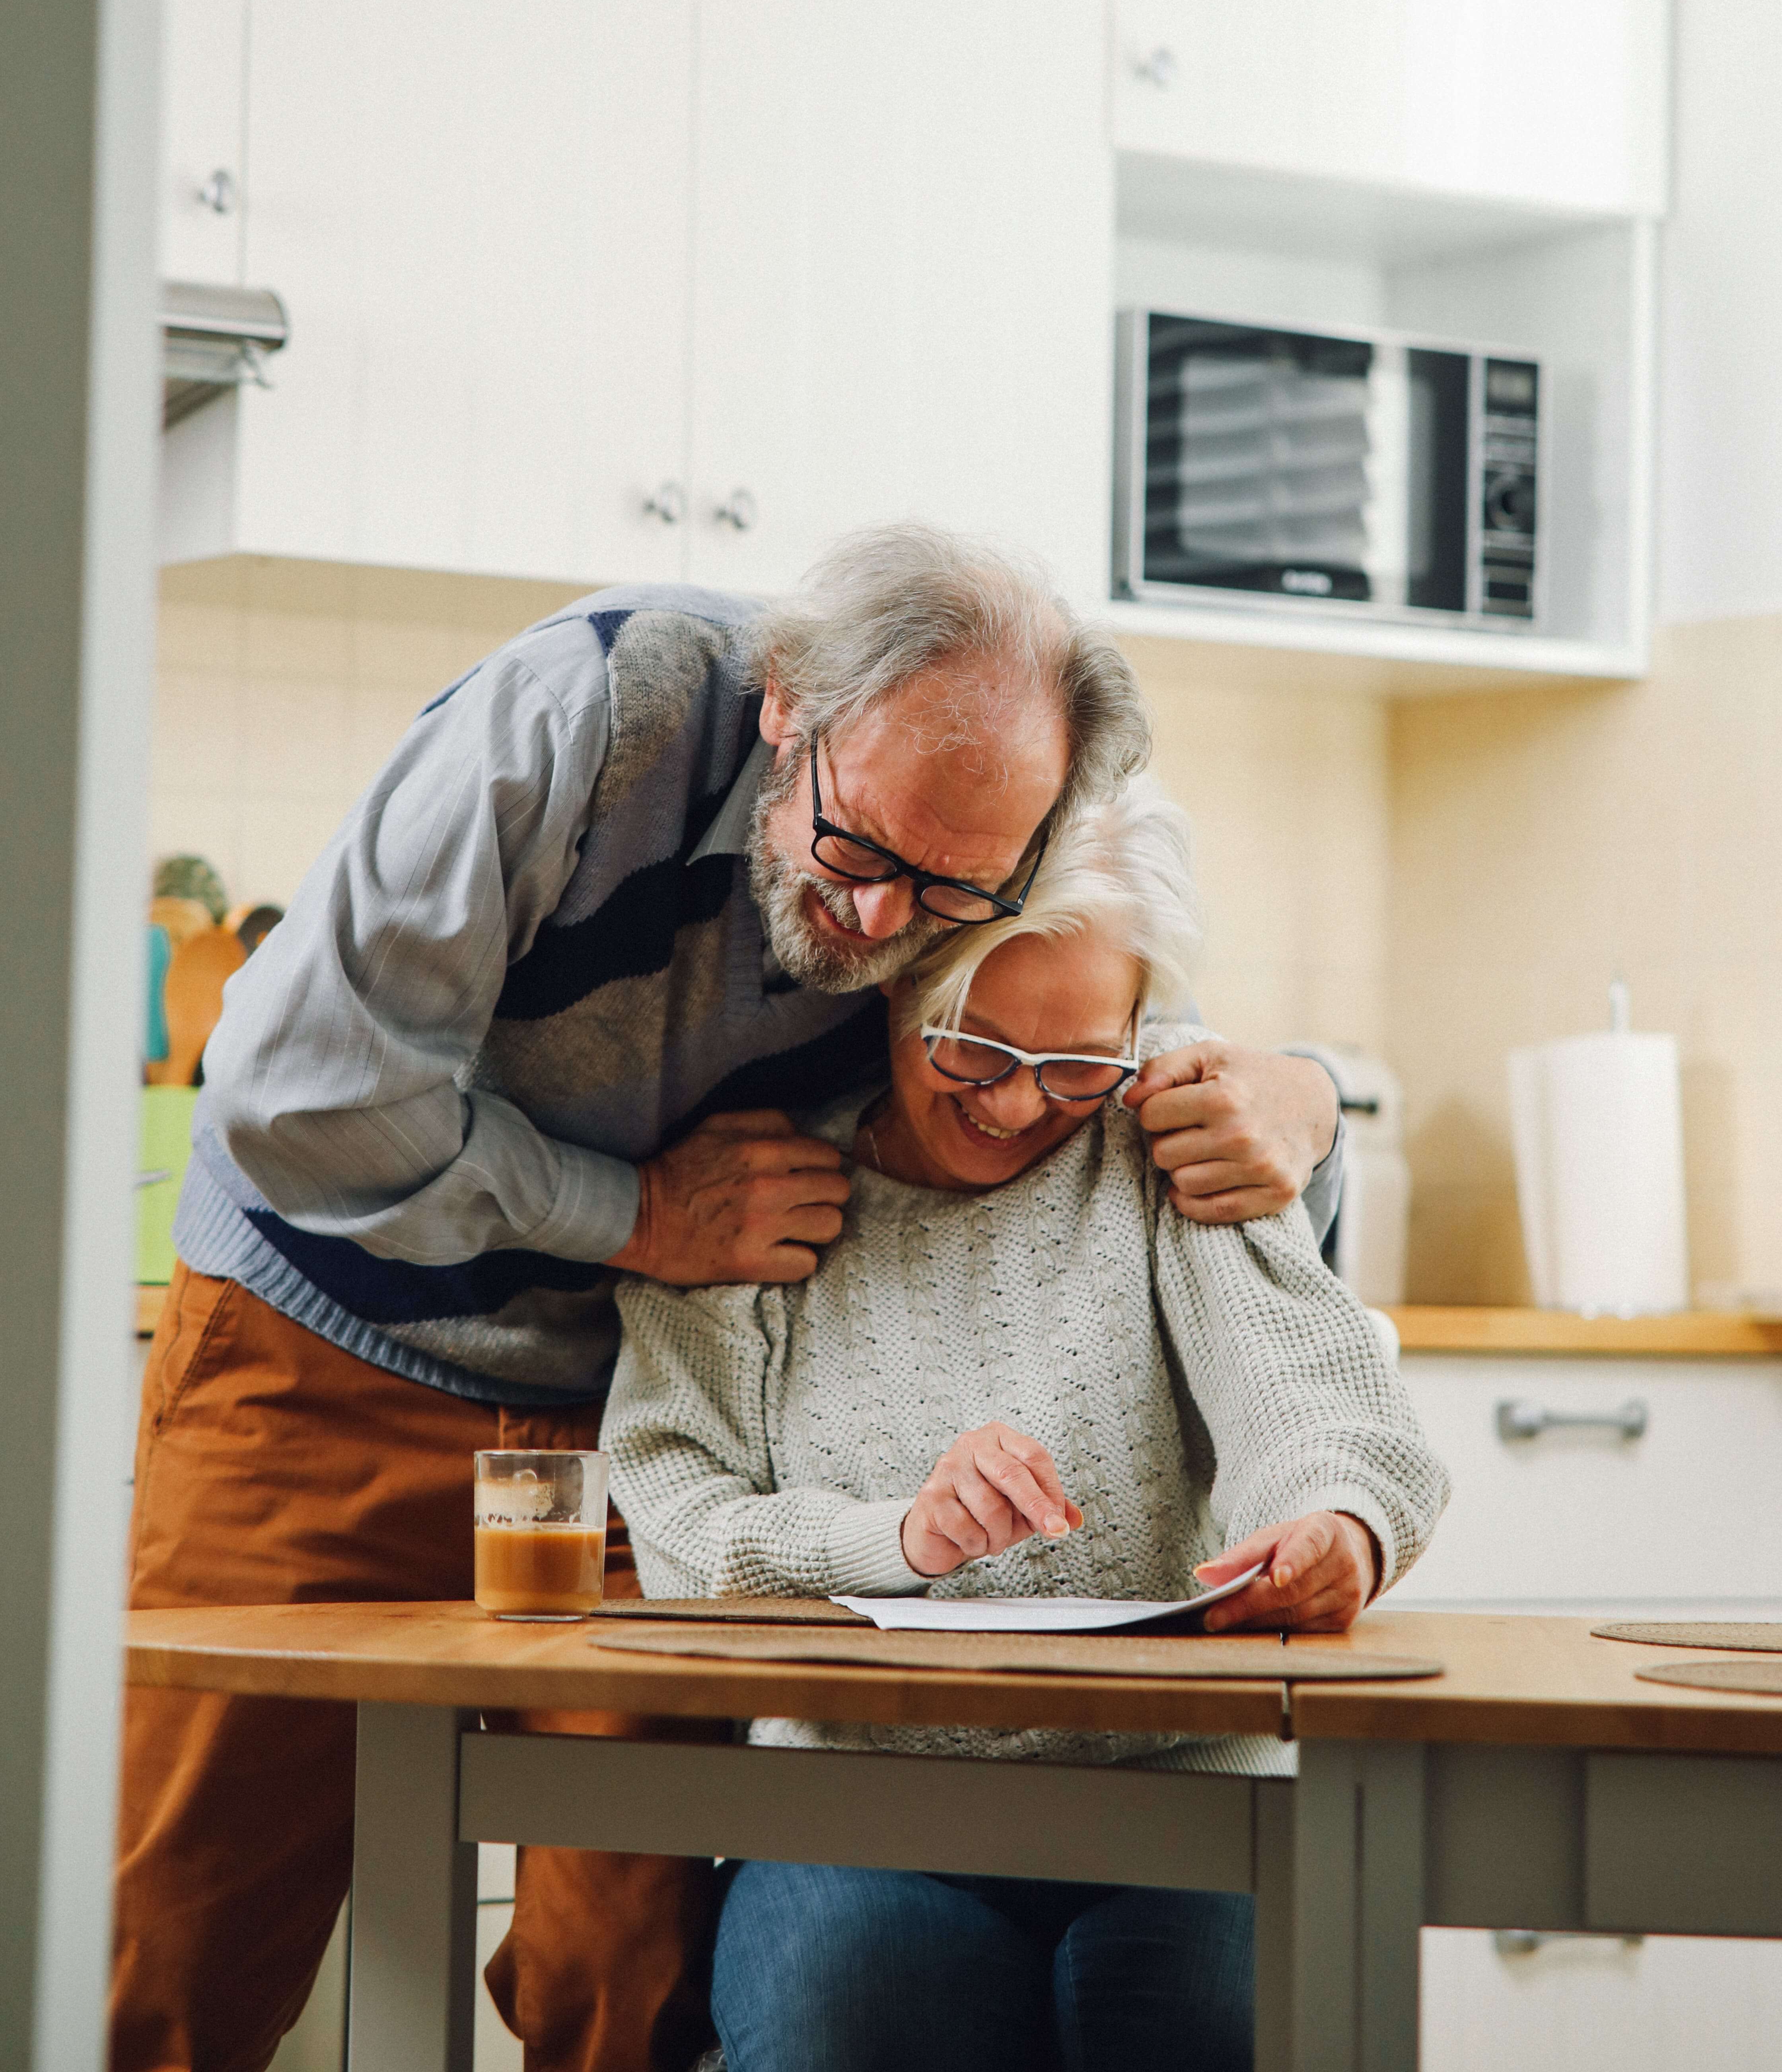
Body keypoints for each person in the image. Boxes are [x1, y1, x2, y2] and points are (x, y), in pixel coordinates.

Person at [115, 525, 1349, 2072]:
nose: (889, 931)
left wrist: (1308, 1100)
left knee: (622, 1962)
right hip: (333, 1342)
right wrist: (634, 1215)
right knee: (172, 1937)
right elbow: (298, 1095)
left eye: (953, 893)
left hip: (640, 1407)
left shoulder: (1009, 817)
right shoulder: (585, 713)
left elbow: (1118, 1025)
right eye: (859, 855)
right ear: (786, 709)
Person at [604, 779, 1449, 2072]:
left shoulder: (1162, 1152)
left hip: (1185, 1794)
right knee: (856, 2016)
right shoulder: (756, 1197)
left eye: (1073, 1065)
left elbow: (1327, 1405)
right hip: (857, 1806)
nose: (1013, 1105)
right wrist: (899, 1537)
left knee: (1212, 2024)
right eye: (972, 1048)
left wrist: (1339, 1525)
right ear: (894, 983)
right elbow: (675, 1520)